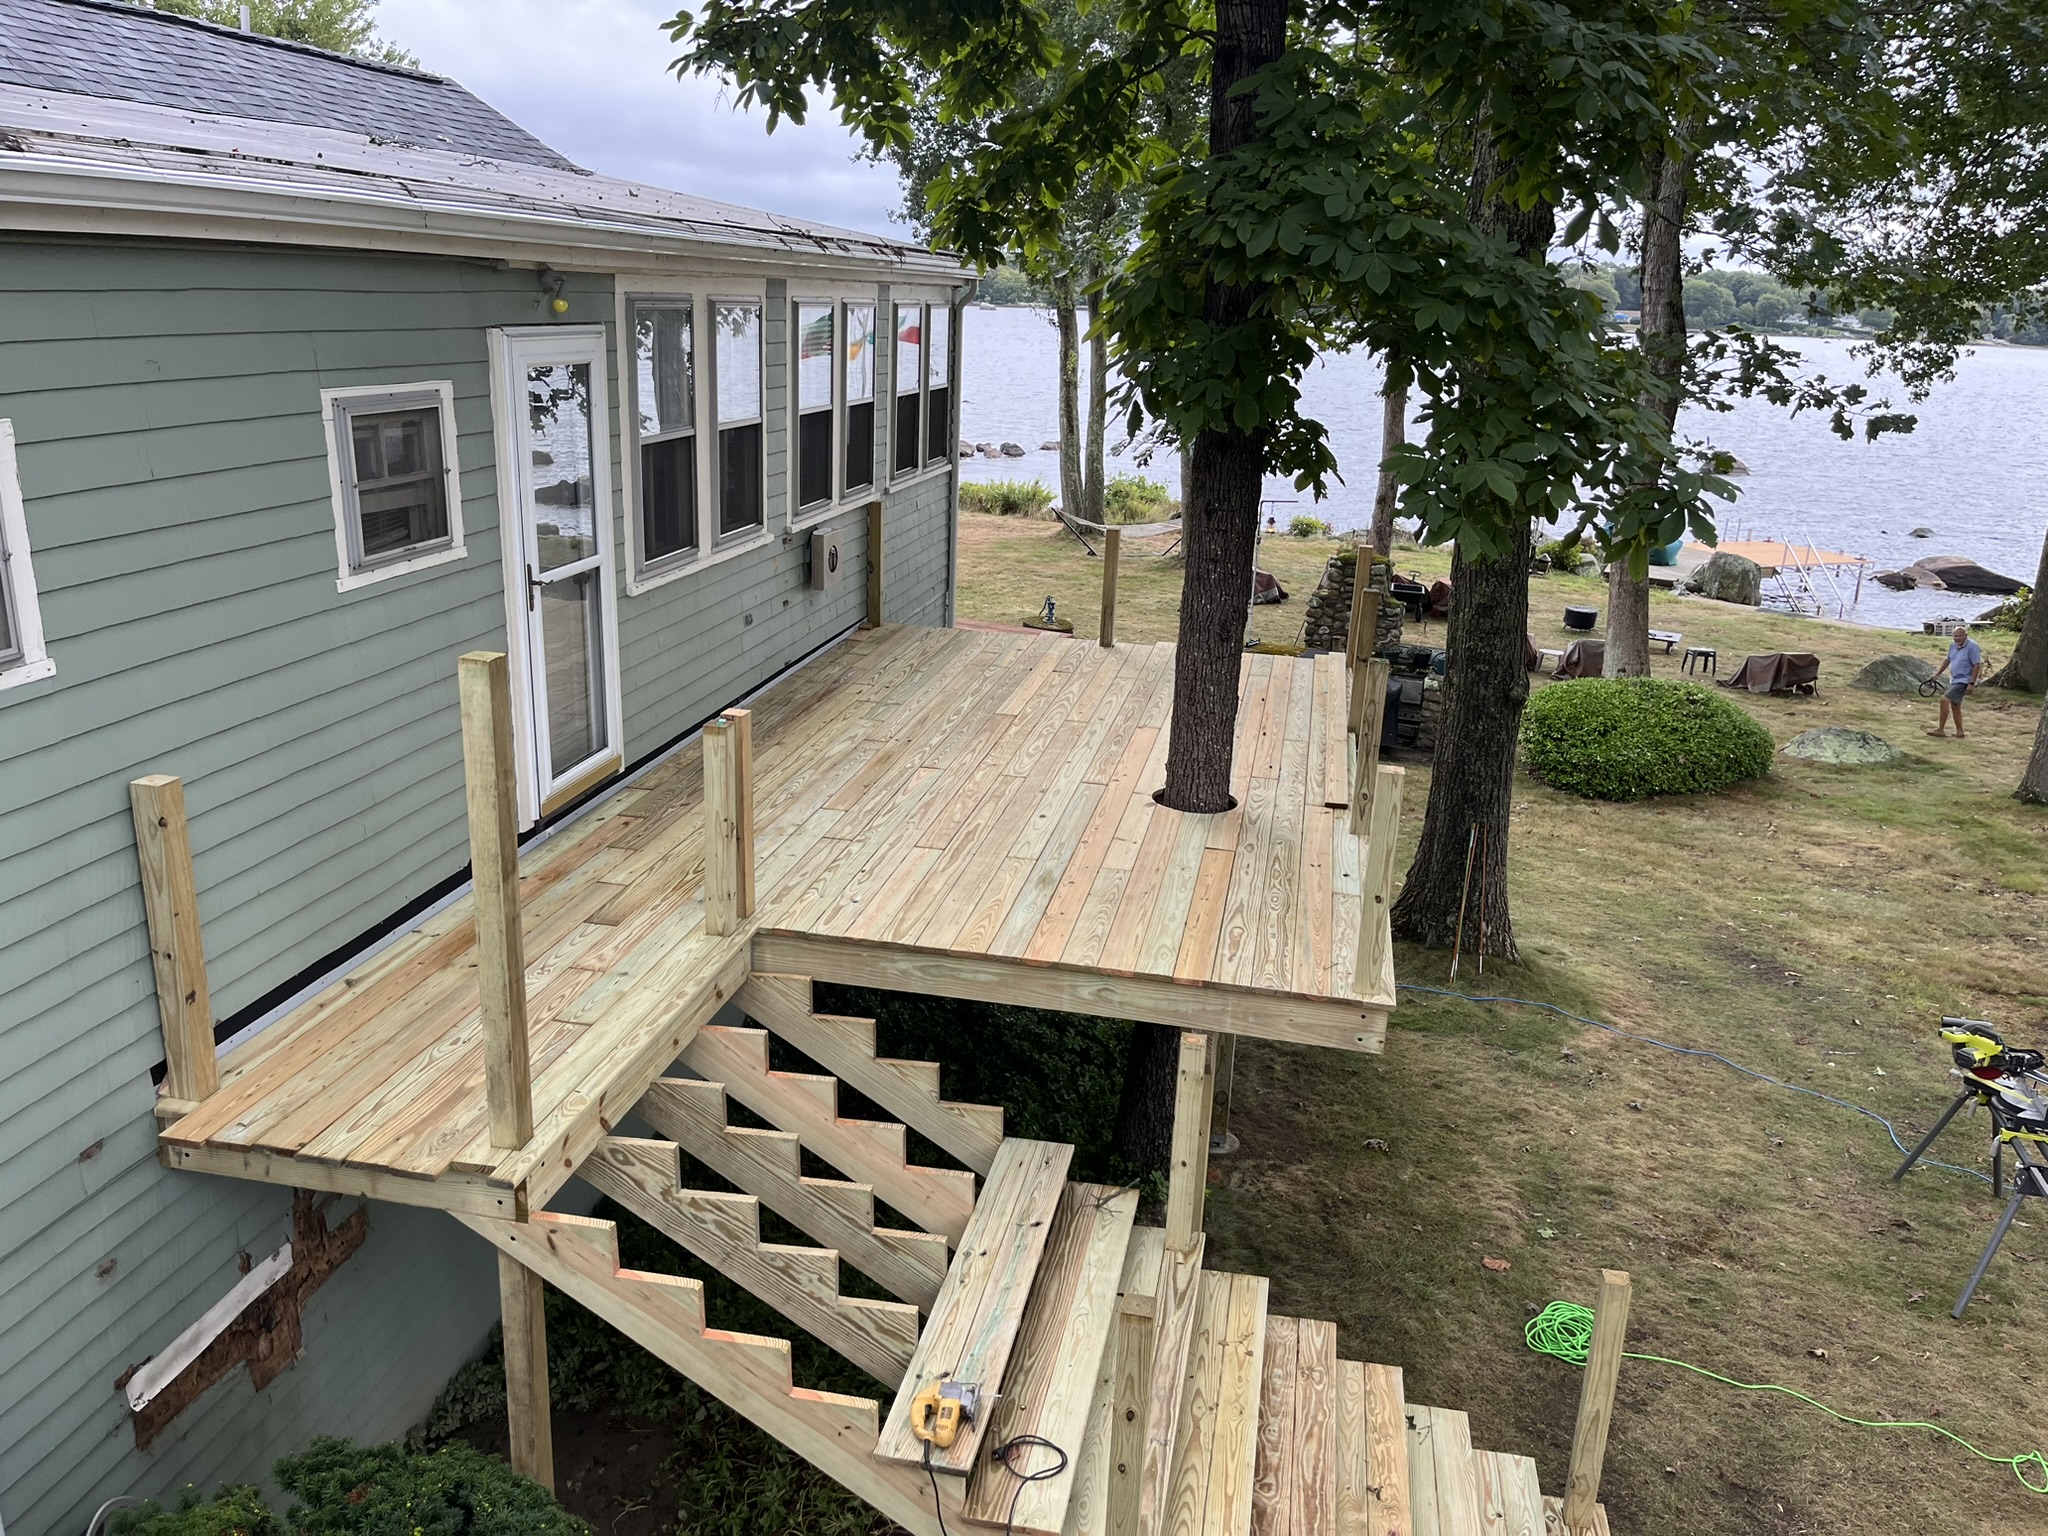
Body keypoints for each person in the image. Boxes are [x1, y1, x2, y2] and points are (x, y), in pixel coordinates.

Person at [1928, 624, 1985, 738]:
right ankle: (1960, 732)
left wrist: (1971, 683)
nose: (1957, 638)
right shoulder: (1952, 645)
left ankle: (1940, 729)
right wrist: (1937, 674)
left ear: (1965, 635)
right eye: (1955, 636)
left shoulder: (1972, 646)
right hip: (1955, 679)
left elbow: (1976, 665)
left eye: (1960, 636)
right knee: (1955, 705)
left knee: (1944, 700)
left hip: (1964, 680)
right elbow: (1947, 660)